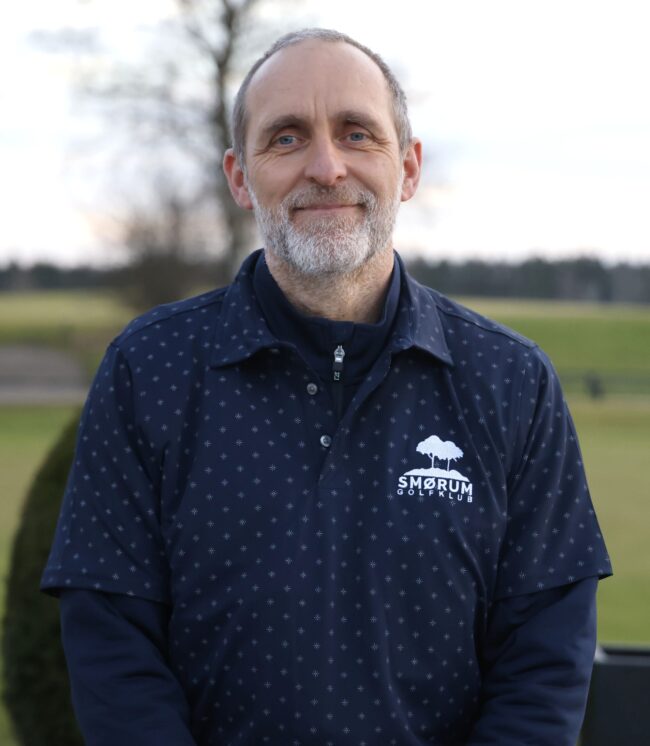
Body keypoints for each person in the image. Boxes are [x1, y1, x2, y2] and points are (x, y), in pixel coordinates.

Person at [41, 28, 612, 746]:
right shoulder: (147, 370)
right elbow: (113, 648)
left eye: (356, 133)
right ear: (239, 177)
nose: (325, 166)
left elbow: (544, 664)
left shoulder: (512, 382)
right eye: (286, 138)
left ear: (408, 167)